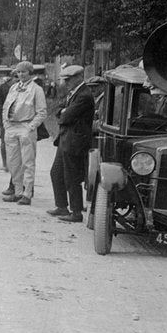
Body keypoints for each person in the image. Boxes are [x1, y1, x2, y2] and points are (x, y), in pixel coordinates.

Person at [49, 65, 94, 222]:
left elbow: (66, 116)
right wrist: (63, 112)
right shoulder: (74, 93)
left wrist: (63, 112)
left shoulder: (84, 95)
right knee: (56, 172)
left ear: (79, 78)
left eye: (68, 80)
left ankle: (76, 212)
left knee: (72, 176)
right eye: (64, 80)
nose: (65, 83)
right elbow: (59, 111)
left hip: (74, 141)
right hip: (66, 139)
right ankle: (61, 206)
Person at [1, 61, 47, 205]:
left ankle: (27, 193)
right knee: (13, 162)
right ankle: (17, 191)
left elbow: (42, 112)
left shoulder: (36, 89)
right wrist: (6, 125)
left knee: (28, 161)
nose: (21, 75)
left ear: (30, 73)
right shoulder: (14, 87)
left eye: (24, 72)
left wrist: (31, 126)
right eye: (18, 72)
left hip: (26, 126)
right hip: (11, 127)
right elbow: (5, 107)